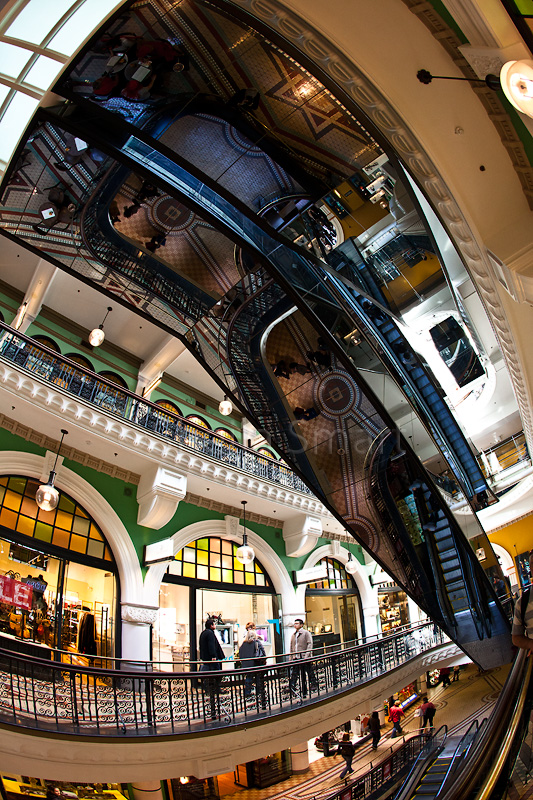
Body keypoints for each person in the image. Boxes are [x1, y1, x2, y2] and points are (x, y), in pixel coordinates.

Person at [199, 617, 225, 719]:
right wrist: (213, 656)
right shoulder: (209, 634)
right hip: (211, 660)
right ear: (211, 625)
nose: (215, 626)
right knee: (216, 674)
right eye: (214, 624)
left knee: (209, 674)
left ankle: (210, 689)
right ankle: (214, 689)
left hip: (206, 659)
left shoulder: (203, 633)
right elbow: (211, 646)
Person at [289, 618, 318, 696]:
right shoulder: (293, 635)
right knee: (295, 673)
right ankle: (292, 687)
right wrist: (291, 657)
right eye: (294, 623)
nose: (295, 625)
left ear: (301, 625)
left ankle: (313, 684)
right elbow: (292, 646)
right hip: (296, 657)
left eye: (297, 623)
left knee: (309, 671)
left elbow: (310, 644)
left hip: (304, 657)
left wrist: (307, 655)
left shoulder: (306, 633)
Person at [238, 629, 266, 708]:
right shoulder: (256, 642)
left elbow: (240, 654)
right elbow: (263, 653)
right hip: (255, 664)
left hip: (246, 665)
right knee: (258, 679)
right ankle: (259, 693)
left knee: (248, 678)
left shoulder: (243, 644)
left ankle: (247, 693)